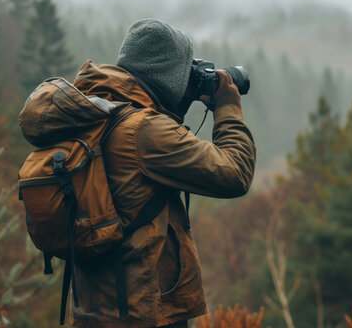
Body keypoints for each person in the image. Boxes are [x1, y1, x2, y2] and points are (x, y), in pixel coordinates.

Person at [70, 19, 256, 327]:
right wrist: (227, 107)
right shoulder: (145, 130)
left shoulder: (96, 113)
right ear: (169, 77)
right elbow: (235, 173)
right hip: (144, 312)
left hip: (95, 307)